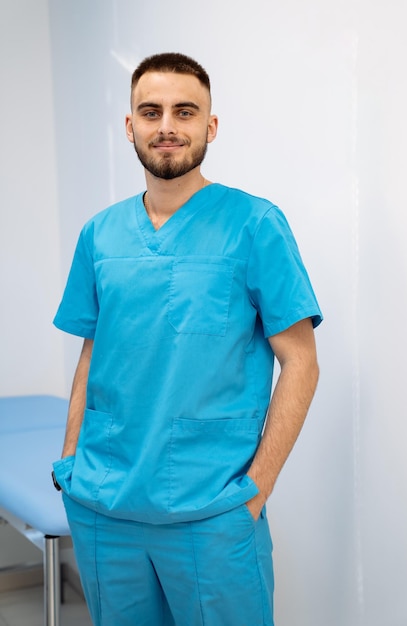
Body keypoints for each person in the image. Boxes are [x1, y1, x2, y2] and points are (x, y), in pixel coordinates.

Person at [52, 52, 322, 626]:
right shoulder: (99, 234)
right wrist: (72, 460)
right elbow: (92, 350)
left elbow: (301, 363)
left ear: (210, 126)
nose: (167, 126)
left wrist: (254, 492)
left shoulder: (254, 224)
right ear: (130, 126)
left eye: (185, 111)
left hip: (211, 509)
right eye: (151, 112)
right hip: (104, 503)